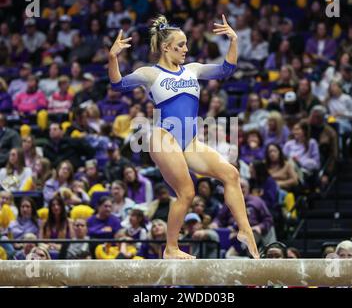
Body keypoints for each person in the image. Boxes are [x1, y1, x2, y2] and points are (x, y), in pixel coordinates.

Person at [108, 14, 259, 259]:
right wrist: (112, 57)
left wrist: (233, 41)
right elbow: (118, 85)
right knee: (187, 192)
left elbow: (225, 70)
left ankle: (245, 230)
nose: (186, 50)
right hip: (163, 136)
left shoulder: (193, 70)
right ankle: (171, 248)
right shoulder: (150, 73)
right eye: (180, 46)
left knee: (231, 174)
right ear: (166, 47)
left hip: (188, 141)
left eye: (186, 44)